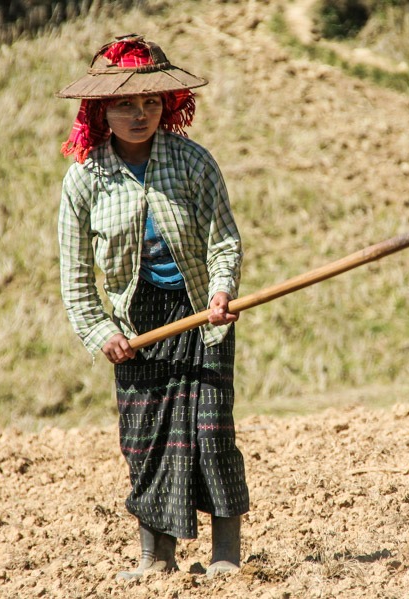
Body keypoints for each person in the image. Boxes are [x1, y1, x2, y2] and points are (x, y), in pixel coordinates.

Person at [56, 34, 248, 580]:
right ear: (100, 110)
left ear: (168, 104)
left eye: (150, 102)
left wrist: (221, 291)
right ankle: (154, 559)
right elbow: (75, 278)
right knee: (145, 441)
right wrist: (100, 335)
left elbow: (222, 241)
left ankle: (226, 555)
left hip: (201, 316)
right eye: (124, 104)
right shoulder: (84, 180)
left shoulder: (192, 162)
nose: (139, 114)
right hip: (134, 327)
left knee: (211, 432)